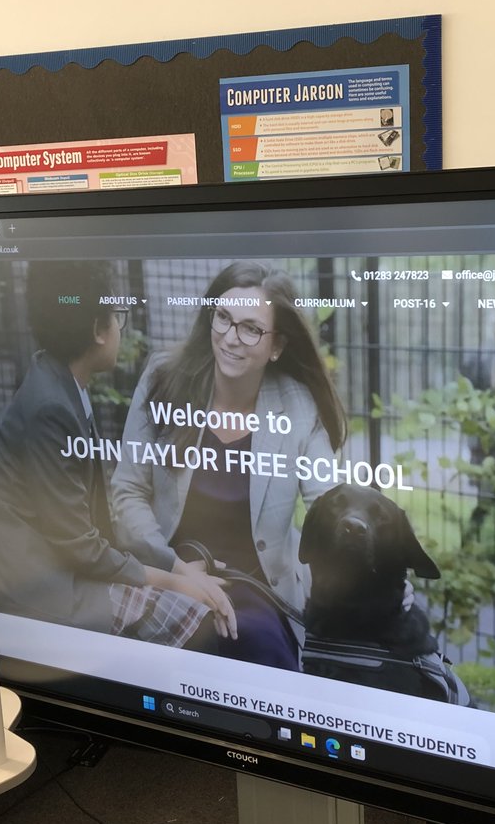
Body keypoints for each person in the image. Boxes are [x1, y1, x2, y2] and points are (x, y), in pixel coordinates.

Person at [0, 260, 235, 650]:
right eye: (119, 317)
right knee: (194, 618)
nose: (121, 327)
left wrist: (177, 569)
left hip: (60, 571)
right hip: (44, 590)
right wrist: (177, 582)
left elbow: (88, 532)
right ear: (98, 329)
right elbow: (80, 545)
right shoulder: (51, 408)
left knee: (187, 603)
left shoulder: (58, 384)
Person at [111, 261, 347, 669]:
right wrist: (179, 573)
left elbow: (329, 506)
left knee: (261, 652)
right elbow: (128, 491)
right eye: (223, 318)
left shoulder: (298, 405)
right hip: (170, 574)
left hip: (257, 587)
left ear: (276, 346)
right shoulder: (163, 378)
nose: (231, 338)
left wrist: (370, 555)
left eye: (251, 328)